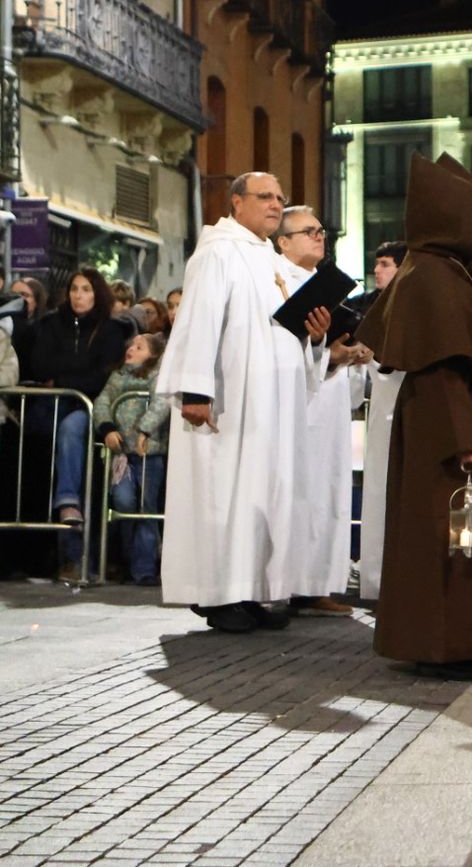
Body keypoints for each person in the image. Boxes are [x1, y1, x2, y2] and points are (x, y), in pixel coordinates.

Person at [356, 154, 472, 680]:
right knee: (456, 532)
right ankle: (449, 641)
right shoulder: (429, 277)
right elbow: (440, 368)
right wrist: (462, 437)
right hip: (453, 432)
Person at [158, 172, 327, 633]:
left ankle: (249, 590)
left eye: (280, 197)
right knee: (224, 495)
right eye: (265, 197)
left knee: (260, 495)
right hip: (230, 401)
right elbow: (199, 319)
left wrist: (312, 336)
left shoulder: (266, 258)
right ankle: (218, 596)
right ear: (237, 202)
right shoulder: (219, 251)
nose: (275, 205)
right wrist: (195, 390)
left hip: (267, 404)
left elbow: (280, 330)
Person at [276, 206, 361, 616]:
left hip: (331, 400)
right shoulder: (275, 281)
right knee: (303, 492)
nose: (319, 236)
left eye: (320, 230)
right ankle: (295, 583)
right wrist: (325, 351)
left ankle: (322, 582)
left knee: (330, 491)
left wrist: (345, 352)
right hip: (300, 403)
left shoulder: (321, 284)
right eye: (308, 231)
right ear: (283, 241)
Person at [28, 269, 130, 571]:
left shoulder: (111, 330)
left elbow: (102, 374)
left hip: (88, 410)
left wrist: (60, 377)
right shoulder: (51, 324)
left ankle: (68, 504)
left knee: (72, 430)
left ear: (97, 293)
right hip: (48, 412)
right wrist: (75, 370)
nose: (78, 295)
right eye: (74, 288)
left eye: (86, 289)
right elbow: (39, 363)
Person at [93, 332, 170, 586]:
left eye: (140, 346)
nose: (132, 349)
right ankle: (127, 558)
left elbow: (161, 403)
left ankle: (145, 568)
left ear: (154, 354)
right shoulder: (117, 377)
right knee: (123, 502)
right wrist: (106, 427)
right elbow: (102, 401)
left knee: (147, 507)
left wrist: (145, 429)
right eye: (131, 345)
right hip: (123, 456)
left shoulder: (157, 376)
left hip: (150, 452)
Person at [357, 240, 407, 601]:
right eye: (377, 264)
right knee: (378, 491)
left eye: (386, 264)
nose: (378, 270)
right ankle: (377, 577)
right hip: (383, 407)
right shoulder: (374, 306)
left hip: (404, 404)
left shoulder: (410, 304)